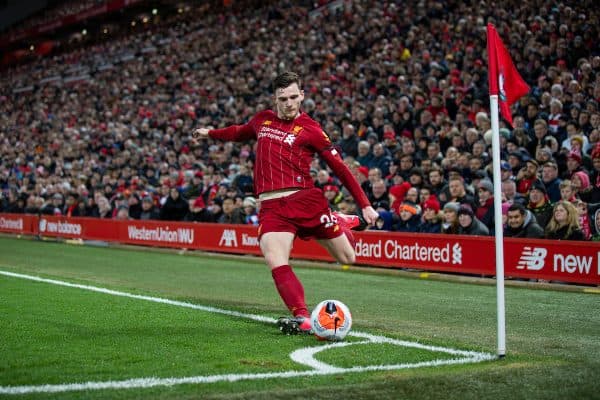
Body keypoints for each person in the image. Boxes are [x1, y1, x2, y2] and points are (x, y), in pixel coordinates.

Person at [192, 72, 378, 335]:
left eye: (293, 97)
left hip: (304, 201)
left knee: (348, 257)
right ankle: (302, 317)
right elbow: (238, 132)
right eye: (283, 98)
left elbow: (340, 168)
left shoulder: (311, 129)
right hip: (272, 208)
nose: (289, 103)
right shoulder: (262, 120)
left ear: (301, 95)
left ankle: (339, 220)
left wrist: (365, 204)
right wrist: (209, 133)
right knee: (275, 259)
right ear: (275, 98)